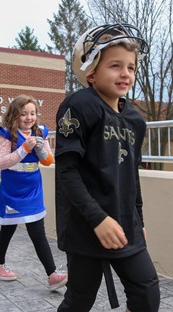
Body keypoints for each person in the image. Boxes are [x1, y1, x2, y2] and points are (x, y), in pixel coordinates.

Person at [55, 23, 160, 311]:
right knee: (80, 300)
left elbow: (132, 176)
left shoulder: (136, 120)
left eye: (131, 67)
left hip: (126, 224)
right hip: (87, 225)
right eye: (115, 65)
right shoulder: (78, 106)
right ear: (91, 72)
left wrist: (140, 220)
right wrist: (98, 219)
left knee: (147, 293)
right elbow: (67, 171)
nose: (125, 73)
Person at [0, 94, 67, 291]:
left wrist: (42, 150)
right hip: (12, 189)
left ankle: (52, 275)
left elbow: (49, 161)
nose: (28, 117)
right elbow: (2, 162)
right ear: (14, 115)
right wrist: (24, 149)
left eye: (32, 113)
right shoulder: (5, 133)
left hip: (33, 189)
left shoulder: (40, 132)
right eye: (23, 114)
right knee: (8, 228)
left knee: (37, 231)